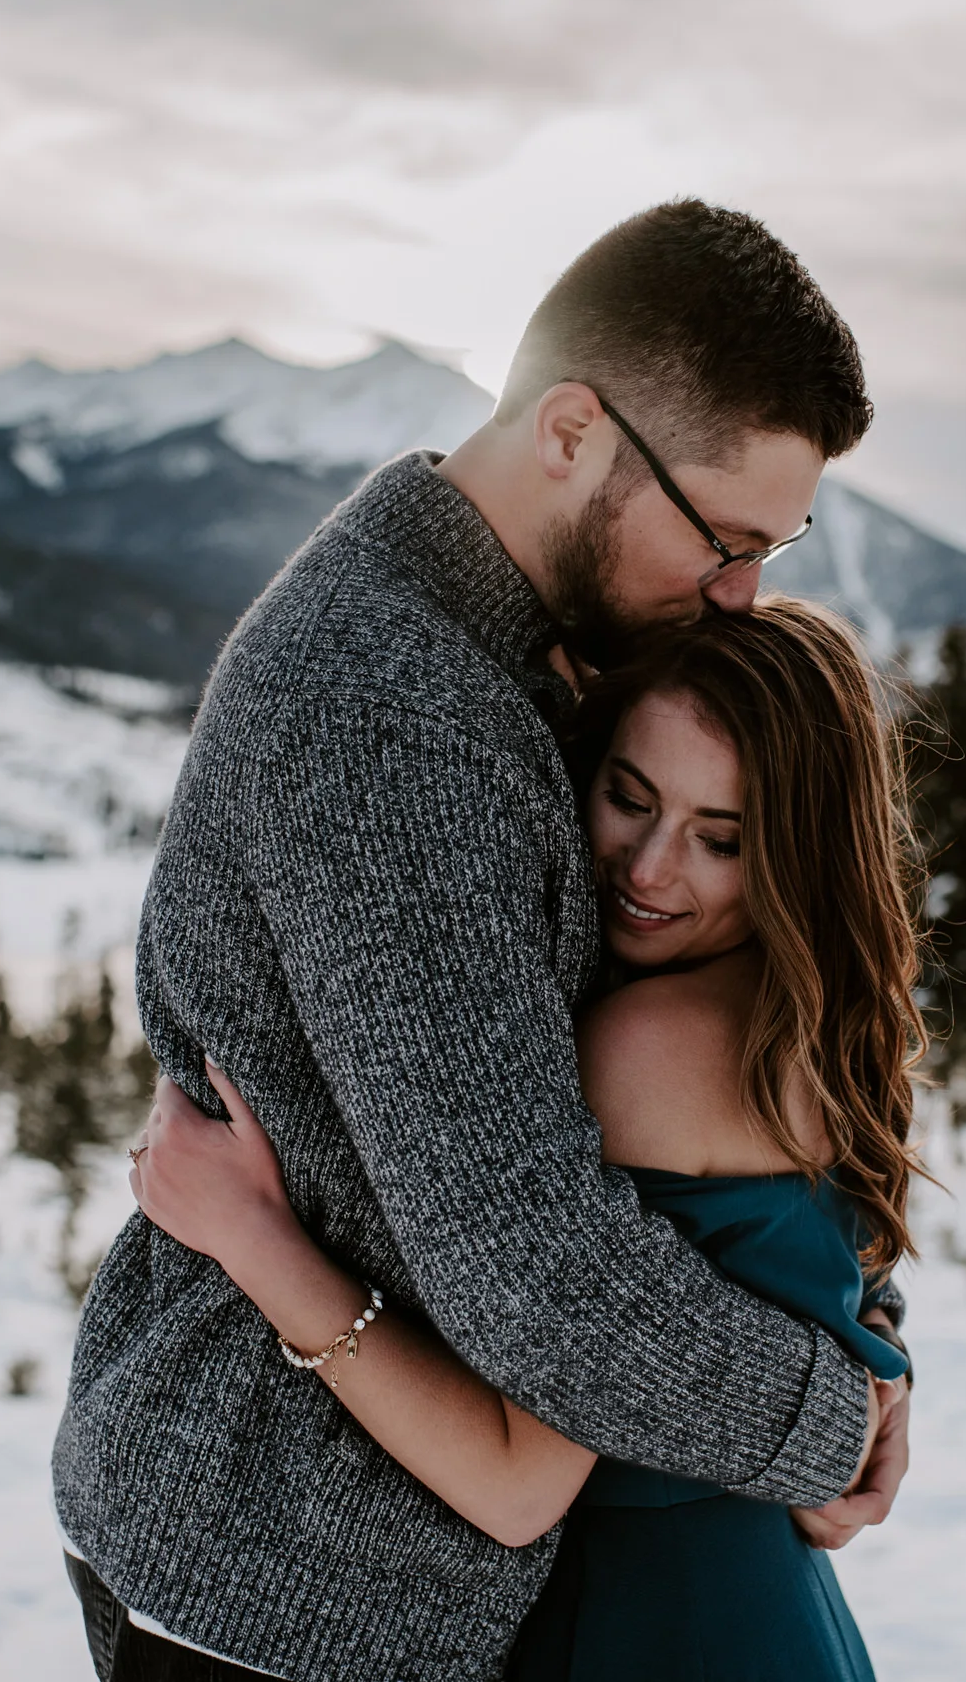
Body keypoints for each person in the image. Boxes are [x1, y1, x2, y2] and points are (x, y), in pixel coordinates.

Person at [52, 199, 910, 1682]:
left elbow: (717, 1122)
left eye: (775, 548)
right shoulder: (396, 713)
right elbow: (539, 1276)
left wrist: (859, 1319)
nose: (741, 593)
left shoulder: (532, 654)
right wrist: (832, 1415)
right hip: (287, 1568)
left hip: (395, 1561)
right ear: (571, 429)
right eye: (724, 539)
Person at [132, 597, 925, 1680]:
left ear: (800, 854)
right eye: (629, 798)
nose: (648, 870)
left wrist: (252, 1236)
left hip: (644, 1628)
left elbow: (515, 1482)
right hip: (770, 1615)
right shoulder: (819, 1023)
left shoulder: (647, 1044)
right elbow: (843, 1274)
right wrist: (881, 1374)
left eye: (720, 840)